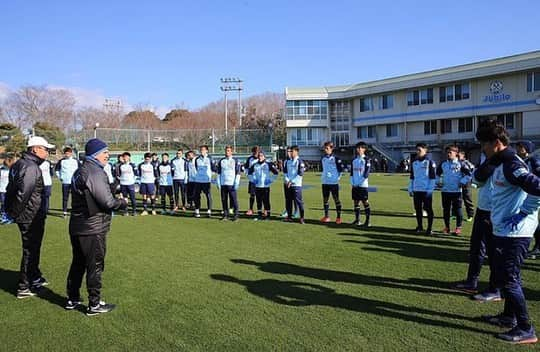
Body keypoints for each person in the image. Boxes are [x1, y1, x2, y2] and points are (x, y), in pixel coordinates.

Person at [474, 120, 540, 344]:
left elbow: (537, 187)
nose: (482, 148)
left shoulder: (512, 164)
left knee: (509, 279)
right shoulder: (500, 163)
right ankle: (508, 317)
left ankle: (525, 328)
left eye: (484, 144)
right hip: (504, 229)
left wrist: (523, 213)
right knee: (509, 277)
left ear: (497, 143)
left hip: (515, 233)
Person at [66, 138, 128, 316]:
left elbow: (91, 194)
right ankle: (94, 304)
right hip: (92, 227)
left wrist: (110, 187)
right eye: (105, 152)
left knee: (78, 263)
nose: (108, 155)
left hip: (78, 224)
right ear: (95, 154)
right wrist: (122, 202)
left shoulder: (80, 170)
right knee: (95, 265)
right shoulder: (94, 171)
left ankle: (72, 298)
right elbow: (107, 202)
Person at [5, 136, 55, 298]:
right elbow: (23, 193)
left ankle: (34, 277)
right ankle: (24, 286)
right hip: (30, 215)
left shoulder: (21, 164)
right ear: (35, 149)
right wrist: (12, 213)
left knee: (33, 248)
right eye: (45, 149)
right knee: (31, 250)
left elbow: (11, 189)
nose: (47, 152)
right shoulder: (30, 167)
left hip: (29, 213)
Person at [452, 153, 501, 302]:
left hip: (496, 210)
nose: (483, 148)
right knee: (476, 247)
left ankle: (495, 288)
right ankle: (471, 281)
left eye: (485, 144)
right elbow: (477, 179)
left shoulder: (508, 161)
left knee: (494, 252)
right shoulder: (485, 157)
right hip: (483, 207)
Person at [436, 145, 472, 235]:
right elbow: (437, 174)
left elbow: (469, 175)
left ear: (456, 153)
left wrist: (462, 182)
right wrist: (438, 182)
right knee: (446, 210)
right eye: (447, 152)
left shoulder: (461, 164)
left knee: (458, 209)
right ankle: (447, 227)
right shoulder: (443, 164)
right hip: (445, 191)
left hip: (456, 191)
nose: (448, 154)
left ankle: (458, 228)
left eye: (450, 152)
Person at [515, 141, 540, 259]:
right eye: (517, 147)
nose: (518, 149)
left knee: (533, 220)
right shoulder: (520, 161)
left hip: (534, 195)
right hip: (524, 194)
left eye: (520, 147)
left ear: (527, 149)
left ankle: (538, 247)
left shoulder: (533, 161)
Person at [408, 143, 436, 235]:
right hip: (416, 190)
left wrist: (430, 190)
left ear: (425, 150)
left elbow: (432, 178)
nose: (417, 152)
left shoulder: (430, 162)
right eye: (417, 150)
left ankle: (429, 228)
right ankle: (420, 226)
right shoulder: (414, 163)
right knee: (418, 209)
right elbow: (412, 177)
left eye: (419, 150)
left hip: (426, 190)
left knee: (428, 209)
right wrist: (410, 188)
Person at [249, 151, 279, 221]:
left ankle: (268, 216)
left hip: (265, 187)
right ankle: (259, 215)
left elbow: (276, 173)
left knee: (266, 201)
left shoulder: (268, 164)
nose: (260, 157)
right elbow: (249, 173)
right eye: (259, 156)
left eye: (261, 156)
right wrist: (253, 180)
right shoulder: (255, 165)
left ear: (264, 157)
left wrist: (270, 180)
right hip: (258, 186)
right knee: (258, 201)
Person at [320, 141, 344, 224]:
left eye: (327, 148)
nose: (325, 150)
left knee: (336, 200)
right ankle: (326, 216)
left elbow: (341, 170)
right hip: (325, 182)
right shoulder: (323, 159)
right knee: (325, 200)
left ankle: (338, 217)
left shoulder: (336, 159)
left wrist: (337, 178)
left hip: (333, 183)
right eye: (325, 148)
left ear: (331, 149)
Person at [216, 145, 241, 221]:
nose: (227, 152)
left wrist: (236, 182)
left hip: (232, 183)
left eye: (229, 151)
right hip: (223, 183)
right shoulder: (221, 161)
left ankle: (236, 215)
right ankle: (225, 215)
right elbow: (219, 172)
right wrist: (218, 181)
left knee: (234, 199)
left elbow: (238, 172)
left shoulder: (235, 160)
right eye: (226, 151)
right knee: (224, 200)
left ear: (231, 152)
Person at [350, 142, 372, 227]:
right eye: (357, 148)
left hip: (363, 185)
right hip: (355, 185)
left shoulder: (367, 160)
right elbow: (352, 173)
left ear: (364, 149)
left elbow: (366, 174)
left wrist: (359, 183)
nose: (358, 150)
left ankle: (367, 221)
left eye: (360, 148)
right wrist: (352, 182)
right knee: (356, 202)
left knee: (365, 202)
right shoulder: (354, 161)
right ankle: (357, 220)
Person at [283, 145, 305, 224]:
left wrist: (291, 181)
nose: (290, 153)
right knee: (288, 201)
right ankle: (289, 217)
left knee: (299, 202)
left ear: (296, 151)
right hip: (288, 184)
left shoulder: (300, 161)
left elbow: (300, 174)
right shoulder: (288, 162)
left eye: (292, 151)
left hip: (296, 185)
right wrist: (287, 180)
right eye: (290, 151)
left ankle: (302, 218)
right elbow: (285, 173)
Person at [55, 147, 79, 218]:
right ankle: (64, 212)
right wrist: (60, 177)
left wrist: (77, 178)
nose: (67, 154)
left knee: (75, 197)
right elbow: (57, 170)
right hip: (65, 182)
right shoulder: (61, 161)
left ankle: (74, 211)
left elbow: (80, 170)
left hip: (74, 182)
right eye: (66, 153)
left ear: (71, 153)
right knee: (65, 198)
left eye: (69, 153)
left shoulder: (75, 161)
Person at [193, 145, 214, 218]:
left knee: (208, 196)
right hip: (198, 180)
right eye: (201, 150)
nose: (202, 151)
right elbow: (196, 168)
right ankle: (197, 210)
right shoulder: (197, 159)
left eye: (203, 150)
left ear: (207, 151)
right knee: (197, 196)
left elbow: (213, 168)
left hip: (206, 181)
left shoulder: (210, 159)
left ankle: (209, 210)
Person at [280, 148, 298, 218]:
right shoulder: (286, 161)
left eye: (289, 151)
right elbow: (284, 172)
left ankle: (296, 211)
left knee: (295, 198)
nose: (288, 153)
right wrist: (287, 181)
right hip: (286, 183)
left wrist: (292, 181)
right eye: (287, 151)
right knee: (287, 198)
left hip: (294, 183)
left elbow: (298, 173)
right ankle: (287, 211)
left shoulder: (296, 160)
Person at [458, 150, 475, 221]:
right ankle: (455, 214)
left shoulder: (466, 163)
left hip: (466, 183)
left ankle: (470, 215)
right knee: (457, 199)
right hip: (458, 183)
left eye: (458, 156)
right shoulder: (456, 163)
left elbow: (471, 171)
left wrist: (464, 180)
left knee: (467, 199)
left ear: (463, 156)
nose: (457, 157)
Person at [244, 146, 260, 216]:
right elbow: (246, 168)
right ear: (253, 152)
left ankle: (261, 210)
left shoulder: (261, 158)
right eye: (254, 152)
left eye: (257, 152)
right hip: (252, 180)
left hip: (260, 181)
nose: (256, 154)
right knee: (252, 195)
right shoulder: (250, 159)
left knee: (261, 196)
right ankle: (250, 209)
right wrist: (248, 175)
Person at [0, 156, 15, 224]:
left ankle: (9, 216)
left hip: (10, 190)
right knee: (3, 203)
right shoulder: (1, 169)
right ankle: (3, 215)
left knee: (11, 203)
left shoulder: (13, 170)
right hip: (2, 189)